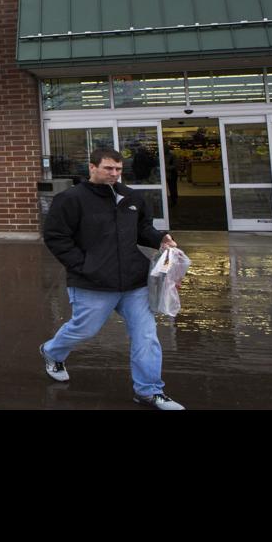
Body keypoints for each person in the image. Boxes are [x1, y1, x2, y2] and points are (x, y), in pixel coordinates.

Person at [39, 148, 185, 410]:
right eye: (108, 168)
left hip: (134, 281)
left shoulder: (132, 197)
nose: (114, 174)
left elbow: (142, 229)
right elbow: (56, 237)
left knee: (146, 336)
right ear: (92, 167)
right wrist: (84, 266)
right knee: (84, 329)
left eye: (118, 169)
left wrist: (159, 238)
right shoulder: (71, 199)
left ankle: (149, 391)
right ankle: (52, 351)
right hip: (93, 281)